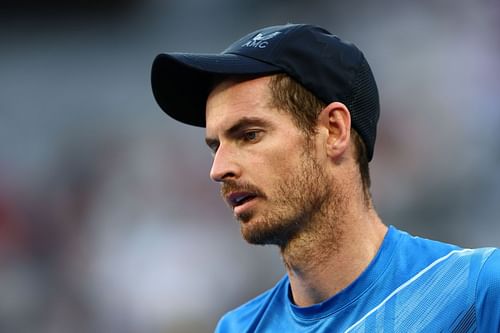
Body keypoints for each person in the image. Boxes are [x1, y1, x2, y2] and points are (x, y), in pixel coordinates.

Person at [151, 24, 500, 332]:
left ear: (334, 131)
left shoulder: (478, 290)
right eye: (216, 146)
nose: (218, 169)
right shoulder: (237, 328)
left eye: (250, 135)